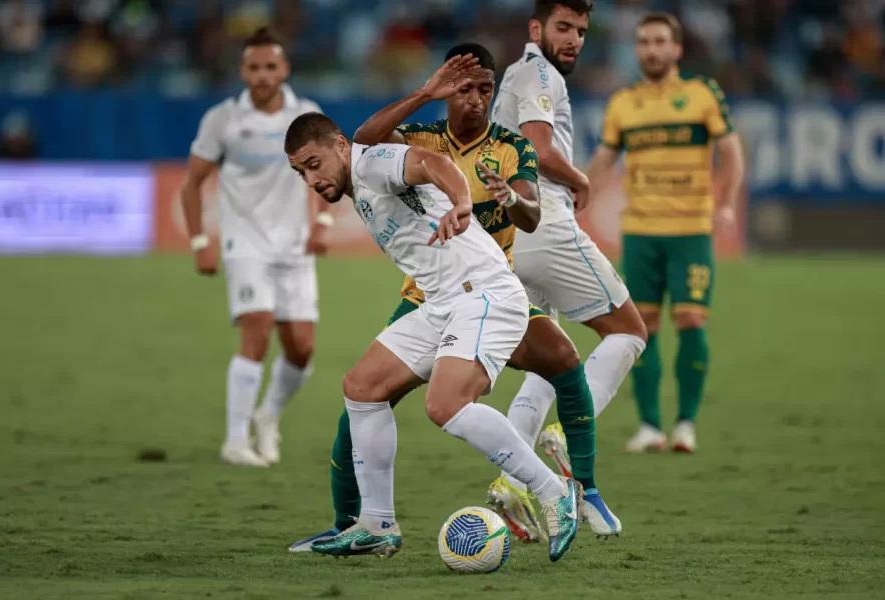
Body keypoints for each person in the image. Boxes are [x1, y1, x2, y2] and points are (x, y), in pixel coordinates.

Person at [290, 44, 620, 550]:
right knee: (362, 387)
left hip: (485, 292)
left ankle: (554, 494)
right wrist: (425, 93)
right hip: (443, 299)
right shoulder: (356, 172)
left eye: (314, 164)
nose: (312, 181)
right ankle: (377, 526)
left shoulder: (372, 162)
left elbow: (429, 165)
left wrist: (463, 201)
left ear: (336, 146)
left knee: (445, 405)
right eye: (302, 174)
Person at [491, 1, 647, 470]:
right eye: (563, 27)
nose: (574, 39)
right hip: (544, 223)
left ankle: (512, 484)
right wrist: (581, 180)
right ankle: (572, 428)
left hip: (510, 232)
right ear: (536, 28)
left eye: (580, 30)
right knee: (629, 331)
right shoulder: (541, 74)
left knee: (553, 359)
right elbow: (540, 150)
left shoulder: (516, 74)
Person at [586, 13, 744, 453]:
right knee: (643, 327)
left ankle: (687, 424)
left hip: (690, 231)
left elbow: (731, 153)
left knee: (691, 319)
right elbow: (602, 163)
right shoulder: (622, 103)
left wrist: (727, 202)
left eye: (660, 42)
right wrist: (575, 195)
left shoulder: (701, 94)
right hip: (640, 233)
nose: (652, 50)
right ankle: (651, 427)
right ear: (637, 49)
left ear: (676, 49)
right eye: (644, 42)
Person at [182, 27, 333, 467]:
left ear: (285, 69)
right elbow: (192, 185)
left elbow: (328, 176)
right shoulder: (223, 119)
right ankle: (234, 440)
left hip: (294, 246)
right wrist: (198, 241)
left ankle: (268, 416)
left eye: (271, 67)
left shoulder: (306, 114)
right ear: (243, 71)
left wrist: (322, 222)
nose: (263, 75)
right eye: (254, 67)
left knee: (302, 349)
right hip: (244, 243)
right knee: (256, 333)